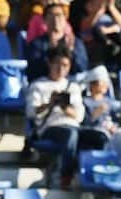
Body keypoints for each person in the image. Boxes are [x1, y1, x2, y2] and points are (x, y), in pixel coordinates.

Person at [24, 47, 85, 187]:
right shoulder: (38, 85)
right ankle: (65, 176)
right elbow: (31, 112)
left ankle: (87, 176)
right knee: (71, 135)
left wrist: (65, 107)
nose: (60, 69)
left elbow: (80, 116)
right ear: (50, 63)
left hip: (73, 126)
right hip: (50, 128)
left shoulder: (73, 87)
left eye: (65, 65)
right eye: (57, 64)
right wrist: (50, 104)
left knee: (99, 137)